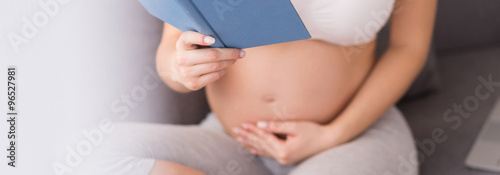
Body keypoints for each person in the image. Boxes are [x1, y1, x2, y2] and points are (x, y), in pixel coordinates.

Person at [81, 0, 437, 174]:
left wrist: (332, 134)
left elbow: (409, 49)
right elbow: (171, 53)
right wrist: (181, 68)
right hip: (231, 142)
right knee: (80, 153)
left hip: (350, 137)